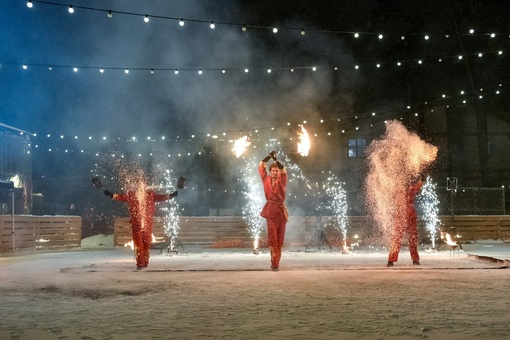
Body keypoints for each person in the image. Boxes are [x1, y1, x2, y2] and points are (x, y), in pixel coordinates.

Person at [104, 179, 178, 270]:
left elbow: (161, 197)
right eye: (137, 184)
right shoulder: (132, 195)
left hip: (147, 223)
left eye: (141, 184)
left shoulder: (150, 194)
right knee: (138, 243)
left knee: (147, 242)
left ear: (144, 185)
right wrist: (111, 195)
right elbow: (122, 197)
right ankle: (140, 263)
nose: (139, 185)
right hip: (136, 223)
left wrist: (171, 195)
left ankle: (145, 262)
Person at [258, 151, 288, 271]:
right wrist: (269, 157)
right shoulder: (266, 178)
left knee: (280, 238)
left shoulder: (283, 179)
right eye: (273, 170)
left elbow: (284, 169)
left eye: (277, 171)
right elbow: (261, 165)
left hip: (281, 211)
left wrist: (276, 160)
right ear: (270, 172)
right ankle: (274, 262)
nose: (275, 172)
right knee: (273, 238)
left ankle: (277, 262)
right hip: (271, 210)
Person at [387, 174, 425, 267]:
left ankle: (414, 259)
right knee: (397, 238)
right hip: (401, 215)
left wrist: (422, 180)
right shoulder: (397, 190)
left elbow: (418, 186)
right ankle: (391, 259)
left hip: (409, 215)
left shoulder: (409, 189)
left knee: (412, 238)